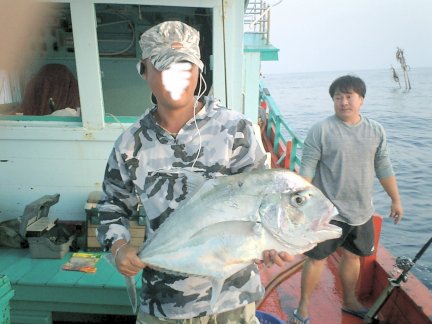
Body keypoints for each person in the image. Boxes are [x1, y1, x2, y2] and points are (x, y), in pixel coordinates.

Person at [96, 21, 292, 324]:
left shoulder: (236, 129)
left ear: (199, 70)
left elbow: (262, 200)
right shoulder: (130, 144)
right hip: (164, 303)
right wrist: (120, 247)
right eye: (164, 66)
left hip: (232, 297)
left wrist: (272, 242)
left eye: (186, 65)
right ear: (143, 71)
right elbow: (111, 206)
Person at [290, 75, 403, 324]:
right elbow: (306, 172)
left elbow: (383, 167)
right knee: (316, 258)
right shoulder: (321, 130)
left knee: (353, 256)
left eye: (349, 96)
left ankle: (350, 301)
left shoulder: (376, 130)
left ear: (361, 99)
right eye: (338, 97)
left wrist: (395, 199)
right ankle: (303, 307)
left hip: (362, 211)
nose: (343, 102)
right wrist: (296, 207)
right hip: (327, 212)